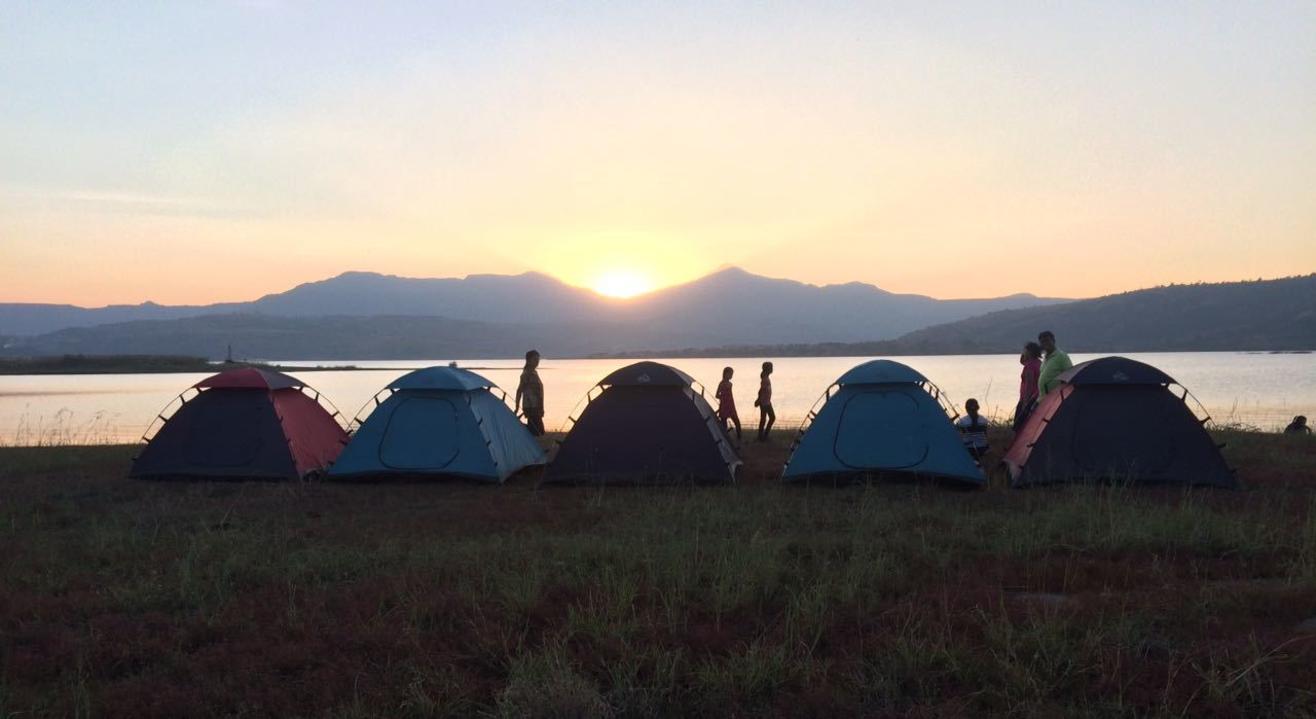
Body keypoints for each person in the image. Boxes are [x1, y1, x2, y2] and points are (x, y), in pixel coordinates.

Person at [1013, 341, 1043, 431]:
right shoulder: (1038, 363)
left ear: (1030, 352)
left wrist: (1025, 402)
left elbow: (1029, 385)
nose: (1023, 352)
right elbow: (1022, 361)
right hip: (1036, 396)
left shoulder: (1029, 366)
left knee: (1018, 424)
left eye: (1025, 350)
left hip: (1027, 398)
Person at [514, 349, 545, 437]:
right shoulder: (526, 374)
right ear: (529, 360)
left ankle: (526, 441)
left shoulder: (534, 372)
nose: (537, 362)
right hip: (530, 406)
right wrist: (517, 407)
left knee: (536, 431)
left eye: (538, 360)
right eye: (535, 359)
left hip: (537, 406)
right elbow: (519, 390)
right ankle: (516, 427)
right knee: (538, 431)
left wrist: (541, 408)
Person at [1037, 330, 1073, 396]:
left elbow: (1070, 377)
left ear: (1053, 341)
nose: (1045, 343)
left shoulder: (1062, 356)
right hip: (1043, 398)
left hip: (1057, 399)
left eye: (1047, 341)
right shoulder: (1045, 359)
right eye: (1042, 342)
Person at [956, 398, 990, 463]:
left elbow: (957, 434)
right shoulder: (984, 420)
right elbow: (985, 435)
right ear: (978, 408)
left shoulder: (961, 421)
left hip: (969, 449)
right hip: (983, 448)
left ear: (966, 409)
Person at [715, 366, 742, 442]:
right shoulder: (721, 384)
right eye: (730, 374)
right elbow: (717, 395)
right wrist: (723, 398)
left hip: (731, 405)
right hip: (724, 405)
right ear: (725, 374)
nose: (731, 376)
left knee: (736, 421)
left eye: (732, 374)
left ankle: (739, 437)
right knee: (724, 424)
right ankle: (725, 438)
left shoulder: (730, 384)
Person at [754, 361, 775, 442]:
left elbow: (761, 390)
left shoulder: (766, 378)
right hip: (764, 402)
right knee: (764, 419)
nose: (772, 369)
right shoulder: (765, 379)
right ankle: (761, 436)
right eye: (771, 367)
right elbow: (761, 391)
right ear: (767, 369)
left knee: (771, 418)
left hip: (767, 402)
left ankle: (764, 435)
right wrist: (758, 400)